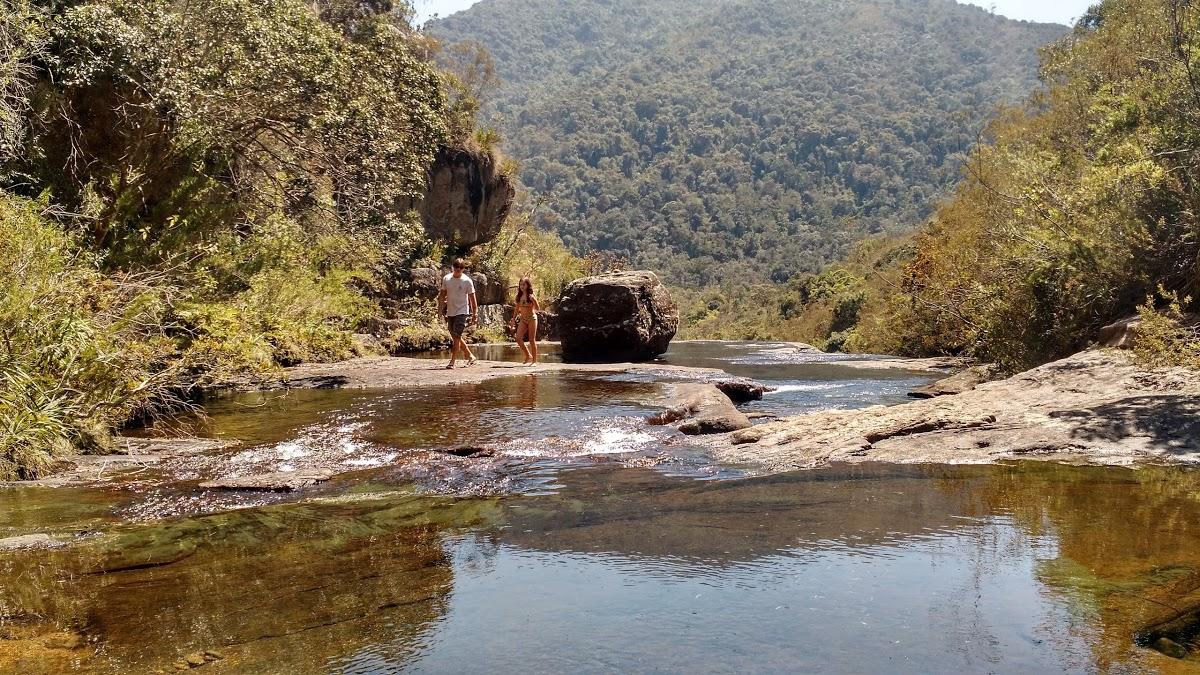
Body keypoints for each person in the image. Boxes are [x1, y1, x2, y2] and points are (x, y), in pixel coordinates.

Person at [439, 258, 477, 369]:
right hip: (451, 311)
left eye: (461, 268)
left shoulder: (467, 281)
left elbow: (472, 299)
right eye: (457, 267)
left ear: (463, 269)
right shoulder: (447, 279)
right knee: (456, 336)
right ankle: (470, 355)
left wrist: (475, 314)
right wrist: (439, 311)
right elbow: (442, 295)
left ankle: (452, 362)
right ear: (453, 267)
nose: (459, 270)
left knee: (456, 337)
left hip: (462, 311)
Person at [508, 275, 541, 365]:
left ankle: (534, 361)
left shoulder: (531, 296)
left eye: (524, 285)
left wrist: (534, 300)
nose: (522, 286)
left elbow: (538, 308)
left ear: (528, 285)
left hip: (532, 319)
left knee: (531, 340)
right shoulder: (518, 296)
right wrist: (513, 320)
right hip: (523, 319)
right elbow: (516, 309)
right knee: (518, 338)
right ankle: (528, 355)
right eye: (520, 284)